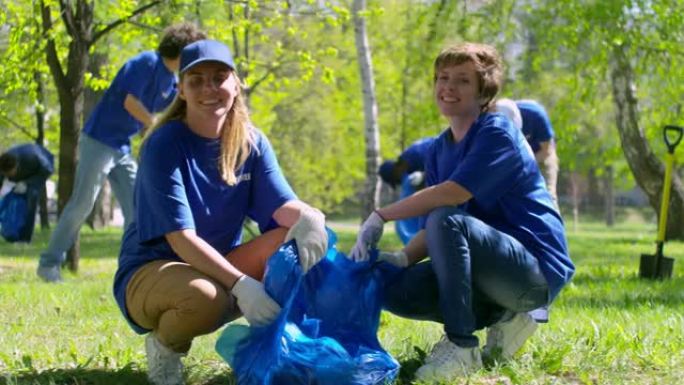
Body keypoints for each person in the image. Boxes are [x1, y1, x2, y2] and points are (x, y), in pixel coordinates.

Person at [349, 42, 574, 383]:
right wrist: (400, 259)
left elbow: (453, 197)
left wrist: (381, 215)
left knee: (445, 217)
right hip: (490, 273)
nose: (448, 87)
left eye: (463, 80)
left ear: (484, 91)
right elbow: (437, 229)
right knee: (391, 287)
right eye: (442, 77)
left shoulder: (497, 132)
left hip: (534, 273)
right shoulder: (440, 148)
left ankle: (461, 345)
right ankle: (504, 316)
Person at [113, 39, 328, 385]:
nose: (209, 88)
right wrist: (242, 285)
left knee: (292, 244)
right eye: (196, 80)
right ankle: (165, 346)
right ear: (181, 89)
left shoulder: (251, 142)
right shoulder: (163, 144)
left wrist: (310, 217)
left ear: (236, 83)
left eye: (219, 77)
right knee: (205, 299)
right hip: (153, 272)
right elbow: (181, 239)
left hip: (217, 267)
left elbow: (280, 206)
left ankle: (286, 348)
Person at [37, 23, 206, 282]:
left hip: (122, 148)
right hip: (99, 140)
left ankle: (134, 267)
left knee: (138, 209)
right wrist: (154, 126)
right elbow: (131, 102)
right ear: (181, 50)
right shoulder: (145, 62)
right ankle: (49, 265)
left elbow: (173, 109)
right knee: (82, 204)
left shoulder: (171, 80)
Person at [0, 143, 54, 242]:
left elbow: (48, 170)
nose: (9, 176)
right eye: (6, 174)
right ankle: (12, 231)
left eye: (10, 173)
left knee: (31, 197)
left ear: (16, 166)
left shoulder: (33, 158)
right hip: (24, 172)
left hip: (39, 171)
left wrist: (27, 183)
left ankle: (25, 237)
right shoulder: (3, 163)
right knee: (13, 200)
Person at [517, 99, 559, 204]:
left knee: (548, 197)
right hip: (517, 160)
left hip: (542, 154)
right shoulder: (493, 118)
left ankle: (551, 215)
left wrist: (524, 165)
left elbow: (546, 151)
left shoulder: (537, 115)